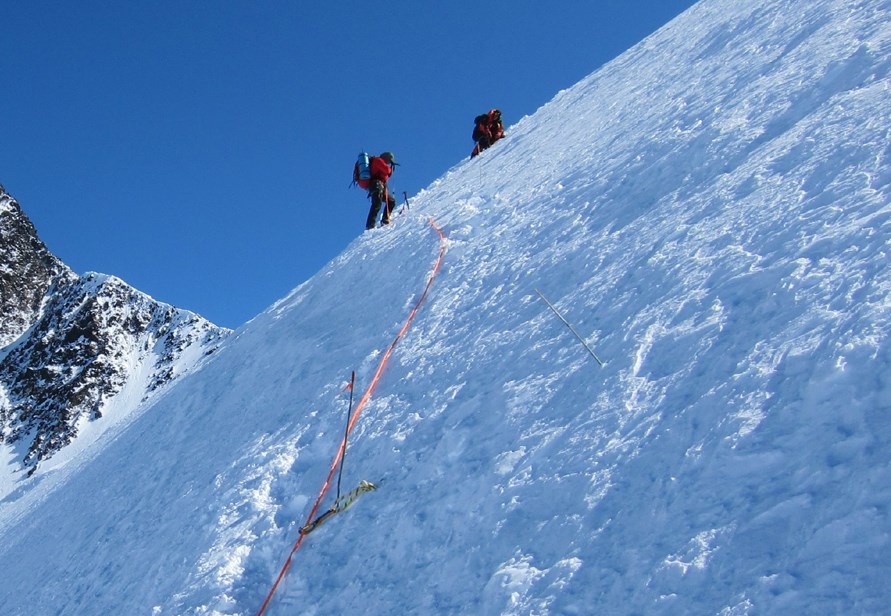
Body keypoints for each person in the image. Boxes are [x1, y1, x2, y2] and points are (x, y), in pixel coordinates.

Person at [363, 151, 398, 230]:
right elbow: (387, 171)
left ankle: (385, 219)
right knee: (377, 204)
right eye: (389, 161)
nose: (389, 163)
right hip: (376, 185)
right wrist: (390, 169)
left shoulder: (378, 162)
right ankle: (370, 225)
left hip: (379, 186)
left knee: (391, 201)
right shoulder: (378, 160)